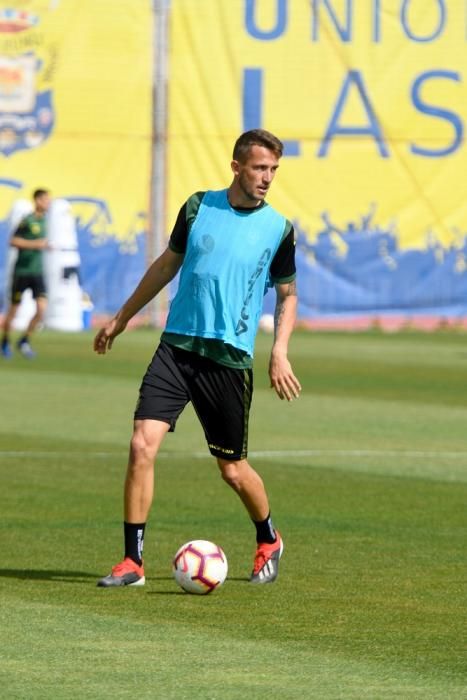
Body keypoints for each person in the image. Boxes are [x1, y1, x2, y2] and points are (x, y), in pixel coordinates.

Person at [94, 129, 301, 588]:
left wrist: (279, 352)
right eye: (259, 168)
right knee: (140, 445)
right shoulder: (198, 206)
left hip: (227, 360)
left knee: (231, 469)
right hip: (177, 347)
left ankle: (268, 538)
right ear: (236, 167)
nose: (267, 178)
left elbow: (288, 294)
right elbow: (167, 264)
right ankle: (132, 563)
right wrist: (123, 317)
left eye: (273, 170)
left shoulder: (279, 229)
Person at [1, 188, 51, 359]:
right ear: (37, 201)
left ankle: (24, 340)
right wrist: (36, 244)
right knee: (14, 311)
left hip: (37, 272)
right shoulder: (27, 220)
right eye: (45, 200)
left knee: (41, 310)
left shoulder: (45, 221)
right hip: (22, 272)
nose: (48, 203)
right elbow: (13, 241)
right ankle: (5, 340)